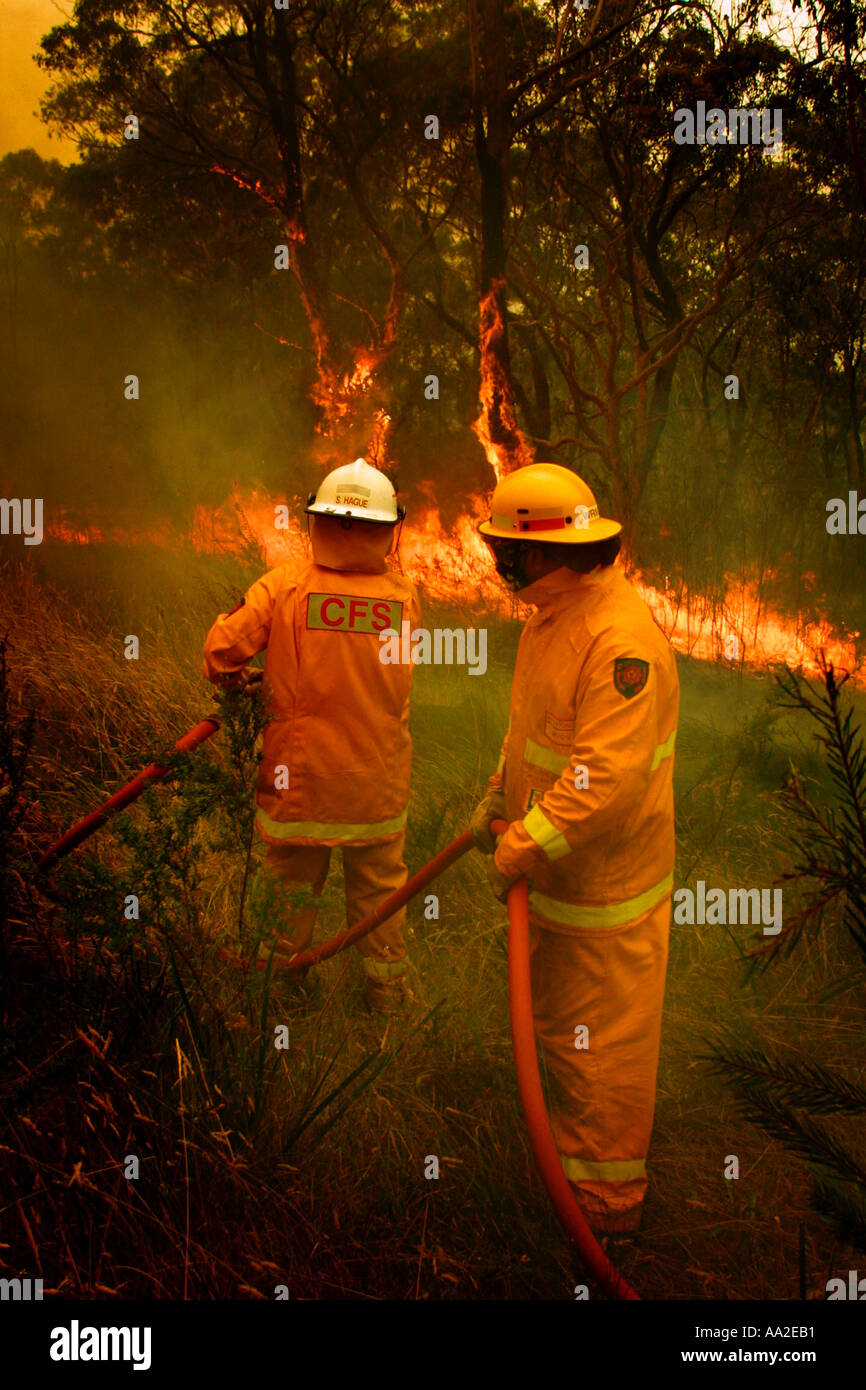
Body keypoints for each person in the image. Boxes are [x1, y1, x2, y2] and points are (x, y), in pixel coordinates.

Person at [470, 462, 679, 1234]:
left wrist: (524, 842)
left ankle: (608, 1208)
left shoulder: (620, 643)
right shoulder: (556, 615)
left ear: (546, 551)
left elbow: (604, 780)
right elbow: (541, 732)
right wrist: (503, 789)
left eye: (509, 550)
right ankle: (569, 1168)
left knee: (607, 1051)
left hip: (608, 893)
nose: (501, 564)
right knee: (561, 1032)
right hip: (562, 885)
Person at [203, 458, 420, 1013]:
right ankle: (388, 1001)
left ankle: (281, 994)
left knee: (289, 895)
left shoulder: (286, 587)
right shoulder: (404, 598)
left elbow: (221, 651)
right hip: (375, 784)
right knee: (379, 899)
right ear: (386, 528)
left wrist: (238, 686)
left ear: (320, 522)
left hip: (298, 785)